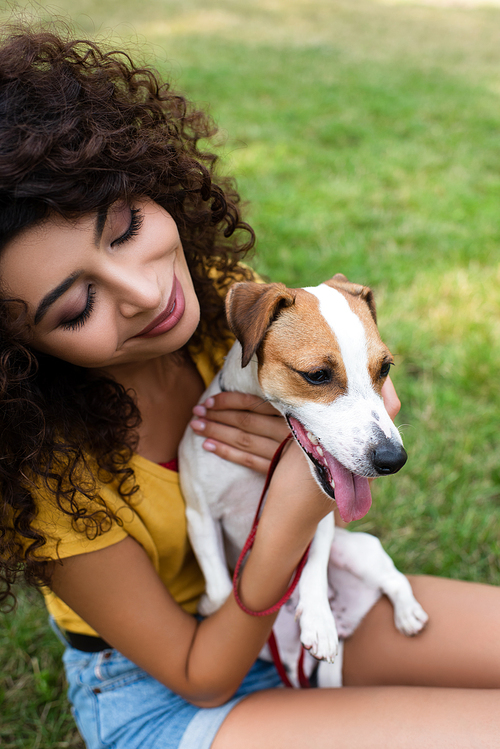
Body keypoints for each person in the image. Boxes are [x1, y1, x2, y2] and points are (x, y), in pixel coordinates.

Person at [0, 22, 499, 749]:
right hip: (170, 687)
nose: (143, 291)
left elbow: (361, 396)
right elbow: (201, 672)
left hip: (311, 600)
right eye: (76, 304)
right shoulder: (39, 474)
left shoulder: (230, 311)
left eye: (127, 225)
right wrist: (289, 510)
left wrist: (326, 428)